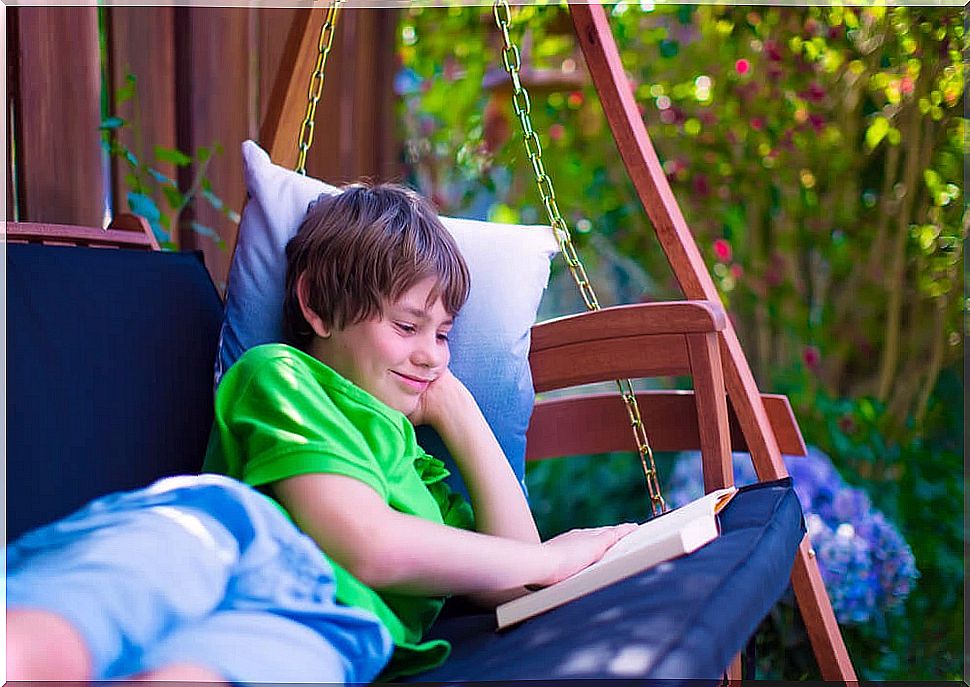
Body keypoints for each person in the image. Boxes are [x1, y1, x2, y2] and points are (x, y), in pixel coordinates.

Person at [7, 183, 633, 684]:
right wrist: (552, 558)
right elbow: (366, 543)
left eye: (443, 335)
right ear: (317, 307)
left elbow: (515, 584)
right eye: (407, 325)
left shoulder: (422, 476)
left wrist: (460, 412)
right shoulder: (282, 375)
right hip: (224, 538)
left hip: (332, 626)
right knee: (88, 612)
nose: (431, 356)